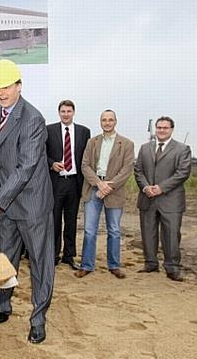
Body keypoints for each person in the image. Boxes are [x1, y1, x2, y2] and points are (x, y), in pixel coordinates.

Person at [0, 59, 54, 345]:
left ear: (19, 86)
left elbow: (26, 166)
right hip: (7, 201)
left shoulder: (33, 118)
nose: (1, 93)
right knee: (4, 258)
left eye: (6, 86)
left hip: (31, 203)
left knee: (40, 263)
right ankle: (1, 306)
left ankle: (39, 318)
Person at [76, 110, 134, 280]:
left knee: (114, 230)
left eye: (110, 120)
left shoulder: (127, 144)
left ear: (115, 121)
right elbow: (85, 165)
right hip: (94, 188)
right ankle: (87, 265)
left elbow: (127, 169)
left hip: (114, 190)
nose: (107, 123)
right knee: (89, 230)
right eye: (104, 120)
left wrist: (109, 186)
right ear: (100, 122)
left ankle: (114, 265)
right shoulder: (92, 142)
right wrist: (98, 183)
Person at [134, 116, 191, 282]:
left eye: (165, 128)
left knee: (171, 235)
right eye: (159, 127)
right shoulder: (145, 148)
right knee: (148, 232)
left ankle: (172, 268)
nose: (161, 130)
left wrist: (161, 188)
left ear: (171, 129)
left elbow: (182, 173)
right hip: (148, 197)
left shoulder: (182, 149)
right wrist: (145, 187)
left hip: (171, 200)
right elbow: (138, 170)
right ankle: (151, 263)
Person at [45, 100, 90, 270]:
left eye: (68, 111)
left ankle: (69, 256)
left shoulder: (84, 132)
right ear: (59, 112)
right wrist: (52, 164)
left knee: (71, 221)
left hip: (74, 182)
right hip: (56, 183)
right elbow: (42, 153)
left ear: (73, 112)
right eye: (63, 111)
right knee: (54, 220)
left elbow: (86, 157)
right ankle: (53, 255)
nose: (66, 114)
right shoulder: (49, 130)